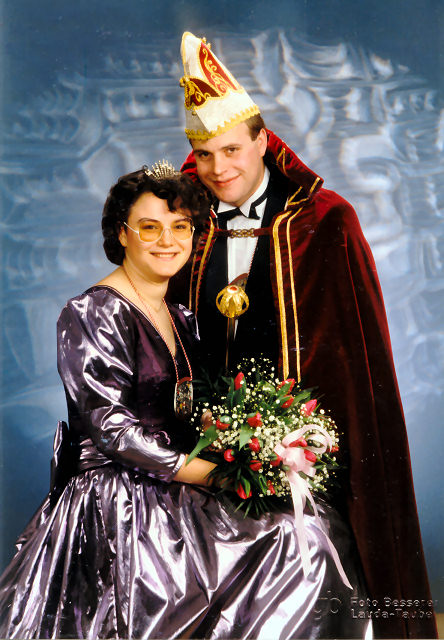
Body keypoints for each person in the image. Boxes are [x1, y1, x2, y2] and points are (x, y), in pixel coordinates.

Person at [0, 163, 369, 639]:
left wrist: (252, 447)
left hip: (177, 482)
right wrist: (214, 475)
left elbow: (190, 408)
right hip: (121, 494)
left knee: (311, 526)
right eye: (149, 227)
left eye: (179, 227)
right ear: (122, 234)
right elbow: (113, 431)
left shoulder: (179, 315)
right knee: (287, 538)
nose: (167, 241)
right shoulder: (94, 311)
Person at [171, 32, 438, 639]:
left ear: (263, 141)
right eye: (204, 154)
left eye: (232, 149)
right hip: (204, 447)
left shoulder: (325, 220)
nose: (219, 169)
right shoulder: (187, 225)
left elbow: (355, 361)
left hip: (306, 453)